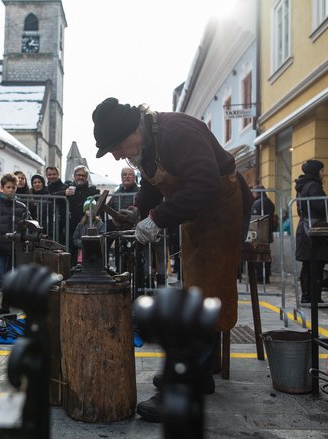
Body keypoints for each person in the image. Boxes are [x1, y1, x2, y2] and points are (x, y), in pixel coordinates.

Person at [92, 97, 252, 423]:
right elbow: (153, 186)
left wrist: (159, 219)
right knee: (196, 290)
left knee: (207, 295)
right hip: (195, 214)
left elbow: (205, 183)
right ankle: (201, 371)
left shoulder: (177, 132)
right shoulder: (146, 146)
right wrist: (137, 210)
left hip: (222, 208)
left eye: (118, 146)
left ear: (135, 128)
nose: (118, 155)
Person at [294, 159, 328, 305]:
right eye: (322, 170)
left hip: (305, 229)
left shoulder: (302, 186)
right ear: (317, 171)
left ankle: (307, 297)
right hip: (315, 230)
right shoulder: (314, 186)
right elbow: (318, 205)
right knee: (316, 266)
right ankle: (314, 298)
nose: (323, 173)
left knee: (308, 266)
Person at [0, 173, 28, 314]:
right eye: (8, 187)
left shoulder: (21, 206)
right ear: (2, 188)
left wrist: (22, 238)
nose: (11, 190)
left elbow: (28, 224)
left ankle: (6, 303)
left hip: (15, 247)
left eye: (13, 187)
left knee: (12, 276)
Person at [65, 165, 99, 258]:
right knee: (71, 250)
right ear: (74, 176)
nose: (81, 177)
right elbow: (53, 195)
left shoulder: (92, 190)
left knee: (85, 251)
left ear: (87, 177)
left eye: (83, 175)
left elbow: (99, 205)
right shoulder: (68, 188)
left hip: (86, 225)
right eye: (78, 175)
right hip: (71, 224)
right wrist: (64, 193)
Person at [250, 184, 276, 283]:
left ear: (257, 193)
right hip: (266, 231)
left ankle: (260, 276)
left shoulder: (258, 203)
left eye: (253, 192)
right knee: (265, 255)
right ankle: (265, 275)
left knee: (258, 256)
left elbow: (254, 219)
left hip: (259, 232)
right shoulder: (269, 202)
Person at [72, 196, 106, 263]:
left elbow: (102, 236)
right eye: (87, 209)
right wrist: (83, 245)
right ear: (85, 211)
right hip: (82, 251)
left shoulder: (100, 223)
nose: (90, 211)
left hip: (96, 253)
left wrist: (93, 245)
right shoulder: (80, 224)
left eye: (92, 209)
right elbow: (75, 238)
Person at [45, 166, 68, 246]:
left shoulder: (64, 187)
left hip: (61, 220)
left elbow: (50, 197)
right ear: (46, 176)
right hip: (48, 219)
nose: (52, 176)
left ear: (58, 174)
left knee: (60, 243)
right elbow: (48, 197)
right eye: (49, 175)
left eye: (54, 174)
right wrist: (63, 193)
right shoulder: (46, 188)